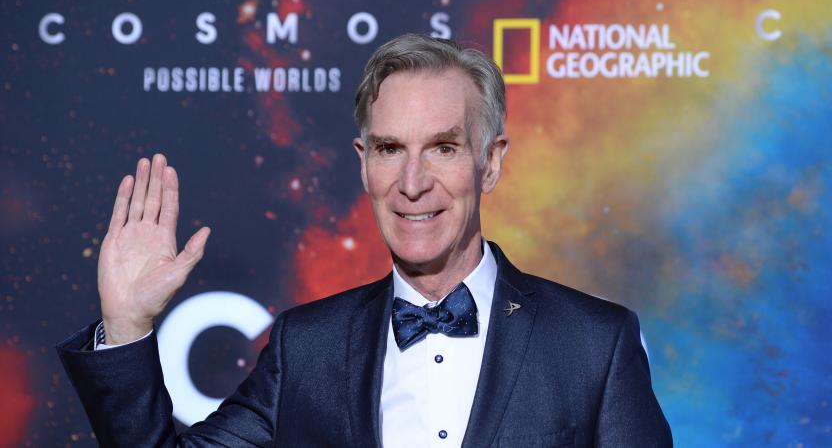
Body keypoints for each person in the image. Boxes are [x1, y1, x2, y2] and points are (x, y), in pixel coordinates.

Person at [57, 34, 672, 447]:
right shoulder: (308, 348)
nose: (411, 183)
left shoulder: (593, 344)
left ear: (491, 163)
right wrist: (128, 324)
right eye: (389, 149)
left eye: (444, 147)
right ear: (363, 163)